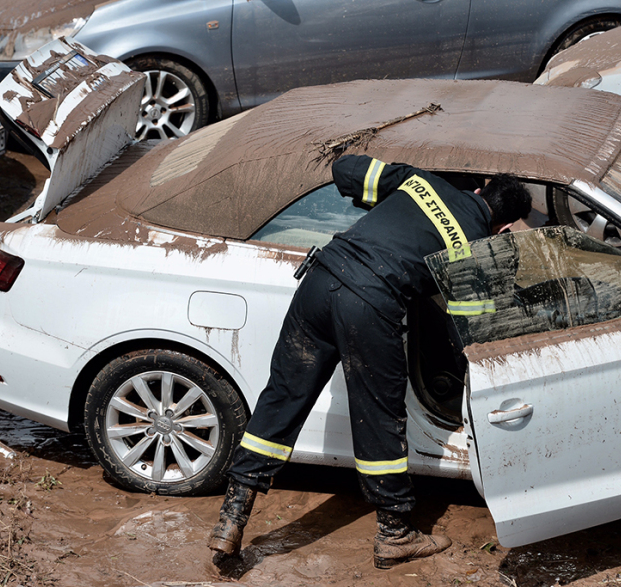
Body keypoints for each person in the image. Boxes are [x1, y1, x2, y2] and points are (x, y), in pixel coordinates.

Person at [209, 154, 532, 569]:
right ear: (503, 228)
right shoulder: (471, 248)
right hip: (369, 304)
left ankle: (231, 519)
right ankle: (394, 534)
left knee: (282, 398)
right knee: (377, 417)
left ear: (477, 191)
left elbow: (345, 169)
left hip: (320, 280)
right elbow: (469, 334)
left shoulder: (422, 183)